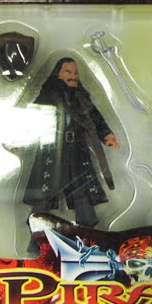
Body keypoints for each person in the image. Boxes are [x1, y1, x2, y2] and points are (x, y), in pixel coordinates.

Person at [22, 58, 120, 231]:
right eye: (68, 72)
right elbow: (31, 121)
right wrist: (21, 140)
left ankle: (88, 231)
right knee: (45, 192)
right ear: (58, 74)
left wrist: (107, 135)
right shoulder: (47, 97)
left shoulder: (81, 99)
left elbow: (95, 118)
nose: (73, 76)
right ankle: (37, 231)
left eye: (75, 73)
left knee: (81, 191)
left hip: (76, 151)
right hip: (53, 152)